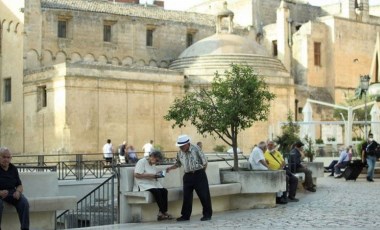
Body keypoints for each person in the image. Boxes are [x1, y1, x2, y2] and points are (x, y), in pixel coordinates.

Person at [166, 134, 212, 222]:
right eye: (180, 146)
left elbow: (205, 162)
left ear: (188, 143)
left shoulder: (196, 149)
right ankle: (185, 216)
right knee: (187, 196)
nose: (181, 147)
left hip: (199, 174)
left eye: (182, 146)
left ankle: (207, 214)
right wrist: (171, 168)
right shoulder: (180, 152)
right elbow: (178, 163)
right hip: (187, 175)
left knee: (204, 195)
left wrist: (202, 173)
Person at [134, 150, 172, 221]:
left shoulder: (153, 164)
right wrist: (151, 175)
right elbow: (136, 175)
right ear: (152, 157)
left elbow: (153, 173)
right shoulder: (142, 162)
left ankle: (161, 213)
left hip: (151, 183)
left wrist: (160, 173)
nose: (156, 162)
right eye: (156, 160)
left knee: (164, 191)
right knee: (157, 192)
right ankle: (164, 212)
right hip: (143, 184)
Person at [0, 147, 30, 230]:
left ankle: (25, 228)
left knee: (24, 203)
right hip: (0, 195)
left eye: (8, 157)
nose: (6, 159)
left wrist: (18, 192)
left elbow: (19, 185)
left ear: (11, 158)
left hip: (12, 193)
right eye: (3, 157)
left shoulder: (13, 169)